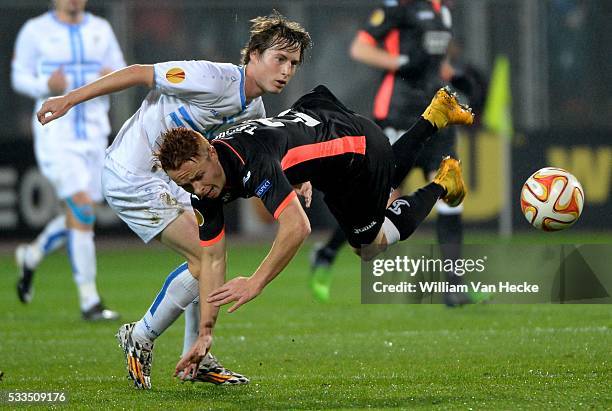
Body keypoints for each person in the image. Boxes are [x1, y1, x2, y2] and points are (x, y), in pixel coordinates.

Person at [36, 12, 312, 389]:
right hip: (132, 174)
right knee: (205, 257)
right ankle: (141, 336)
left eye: (293, 64)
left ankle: (196, 358)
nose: (286, 70)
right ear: (254, 56)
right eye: (279, 59)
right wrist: (70, 100)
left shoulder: (253, 110)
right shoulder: (211, 78)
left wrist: (296, 179)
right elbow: (137, 72)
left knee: (210, 255)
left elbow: (266, 152)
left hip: (172, 183)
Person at [153, 85, 474, 377]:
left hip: (356, 152)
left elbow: (297, 227)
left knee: (369, 245)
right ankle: (435, 116)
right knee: (383, 178)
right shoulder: (206, 183)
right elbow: (211, 259)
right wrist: (205, 332)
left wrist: (255, 282)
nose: (198, 188)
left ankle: (443, 183)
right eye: (186, 184)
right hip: (321, 124)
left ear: (210, 150)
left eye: (198, 176)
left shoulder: (252, 162)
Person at [310, 0, 469, 306]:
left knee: (452, 193)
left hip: (440, 115)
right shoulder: (399, 8)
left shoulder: (445, 12)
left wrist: (454, 77)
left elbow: (437, 63)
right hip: (399, 115)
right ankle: (327, 252)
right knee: (374, 204)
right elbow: (360, 48)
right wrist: (400, 61)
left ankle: (454, 286)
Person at [11, 0, 125, 320]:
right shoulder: (36, 31)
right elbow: (19, 77)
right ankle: (90, 300)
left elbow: (121, 69)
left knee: (82, 213)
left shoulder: (100, 29)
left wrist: (111, 74)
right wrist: (44, 86)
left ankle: (31, 255)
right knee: (81, 207)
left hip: (94, 133)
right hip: (56, 136)